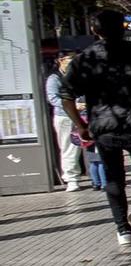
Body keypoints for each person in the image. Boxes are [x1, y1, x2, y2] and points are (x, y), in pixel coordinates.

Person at [60, 9, 131, 247]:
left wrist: (80, 125)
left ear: (94, 30)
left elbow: (66, 95)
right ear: (124, 27)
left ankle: (123, 230)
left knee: (114, 179)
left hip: (104, 129)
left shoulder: (84, 59)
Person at [45, 52, 88, 191]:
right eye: (70, 60)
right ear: (60, 61)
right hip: (64, 116)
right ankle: (71, 178)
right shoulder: (54, 78)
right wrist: (74, 105)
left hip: (81, 115)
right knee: (69, 147)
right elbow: (53, 99)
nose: (72, 63)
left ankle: (77, 175)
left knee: (80, 146)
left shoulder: (77, 76)